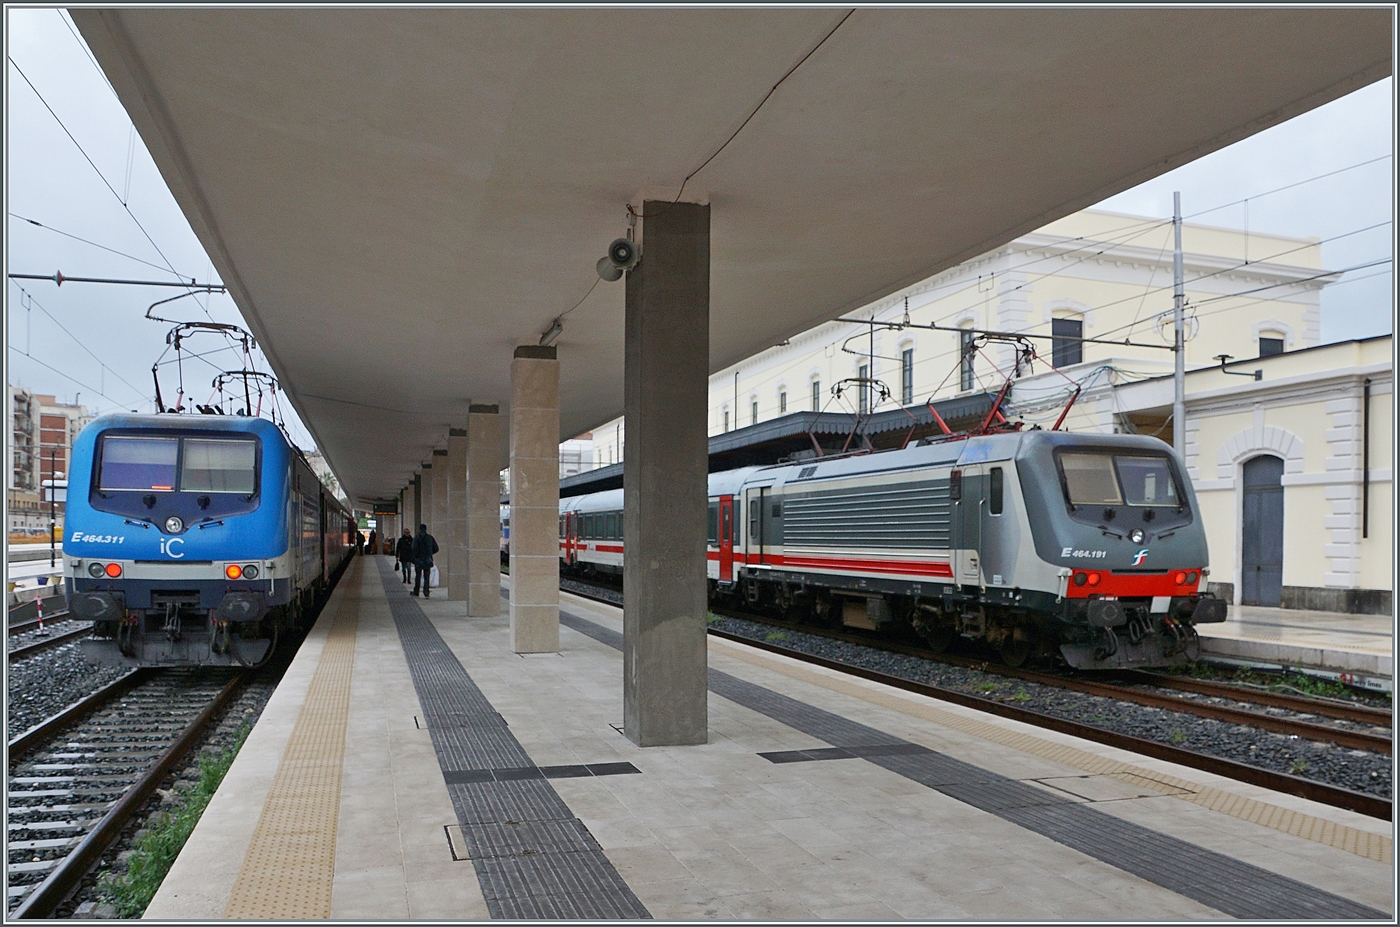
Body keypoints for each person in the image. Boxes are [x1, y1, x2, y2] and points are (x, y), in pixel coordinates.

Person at [412, 523, 439, 598]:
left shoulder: (416, 538)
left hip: (419, 560)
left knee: (418, 576)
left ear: (419, 529)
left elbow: (414, 549)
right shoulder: (430, 538)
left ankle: (416, 591)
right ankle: (426, 592)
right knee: (427, 576)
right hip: (427, 560)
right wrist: (430, 554)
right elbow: (436, 548)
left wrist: (414, 558)